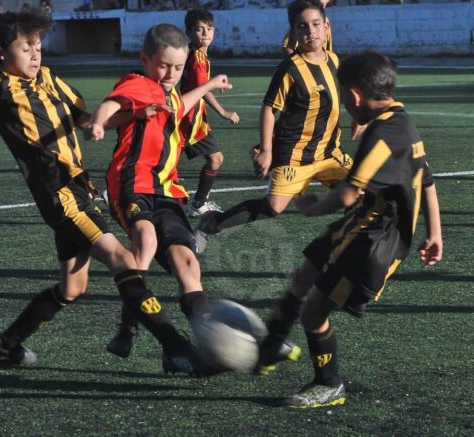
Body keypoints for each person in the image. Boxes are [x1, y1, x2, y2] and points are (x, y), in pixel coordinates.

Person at [0, 11, 207, 376]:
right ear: (0, 53)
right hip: (59, 195)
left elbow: (87, 120)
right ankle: (178, 348)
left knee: (73, 288)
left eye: (38, 47)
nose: (34, 55)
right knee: (123, 261)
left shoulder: (51, 80)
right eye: (25, 48)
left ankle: (5, 342)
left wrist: (134, 116)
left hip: (79, 189)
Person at [254, 50, 443, 408]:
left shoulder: (383, 134)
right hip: (361, 223)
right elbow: (428, 178)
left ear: (354, 96)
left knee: (313, 311)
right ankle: (273, 344)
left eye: (342, 96)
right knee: (302, 277)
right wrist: (436, 233)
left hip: (374, 243)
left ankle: (329, 384)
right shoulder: (403, 123)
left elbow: (346, 194)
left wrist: (310, 207)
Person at [85, 23, 263, 364]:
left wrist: (210, 84)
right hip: (131, 182)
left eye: (178, 67)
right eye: (164, 65)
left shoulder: (168, 92)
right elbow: (111, 105)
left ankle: (206, 336)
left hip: (167, 188)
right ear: (146, 59)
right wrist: (97, 122)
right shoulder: (137, 82)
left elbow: (180, 105)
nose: (170, 73)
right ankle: (130, 326)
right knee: (146, 241)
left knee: (187, 262)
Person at [195, 0, 360, 254]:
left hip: (329, 154)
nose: (311, 32)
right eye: (302, 27)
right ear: (293, 33)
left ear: (326, 27)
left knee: (359, 193)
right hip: (293, 155)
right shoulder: (290, 69)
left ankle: (346, 250)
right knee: (272, 208)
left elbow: (343, 93)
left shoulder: (334, 60)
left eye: (316, 25)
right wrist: (267, 151)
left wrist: (357, 117)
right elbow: (269, 109)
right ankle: (212, 224)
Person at [180, 9, 241, 217]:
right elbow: (201, 91)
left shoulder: (194, 54)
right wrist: (224, 112)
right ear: (189, 32)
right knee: (214, 159)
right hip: (189, 120)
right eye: (199, 29)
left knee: (213, 158)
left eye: (209, 28)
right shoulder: (197, 57)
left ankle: (198, 203)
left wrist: (212, 84)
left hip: (190, 118)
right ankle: (197, 204)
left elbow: (199, 84)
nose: (206, 33)